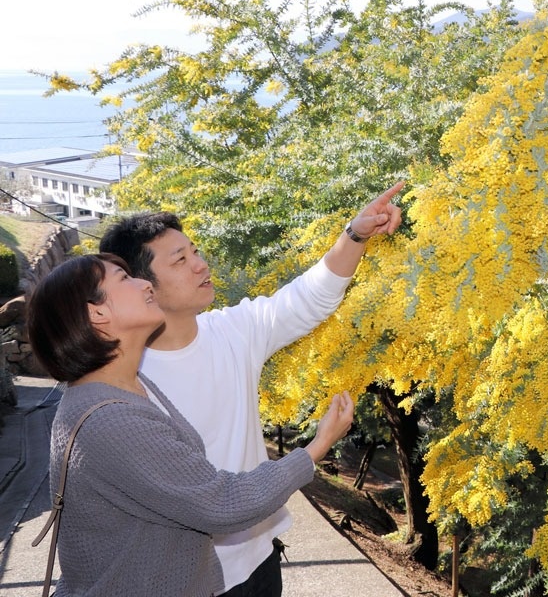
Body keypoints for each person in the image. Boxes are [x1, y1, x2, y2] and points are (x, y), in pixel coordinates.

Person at [97, 182, 405, 597]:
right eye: (181, 260)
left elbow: (309, 296)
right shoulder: (121, 383)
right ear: (143, 285)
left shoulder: (231, 330)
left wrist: (355, 234)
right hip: (186, 580)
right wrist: (317, 446)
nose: (200, 265)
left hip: (260, 561)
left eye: (196, 251)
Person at [27, 253, 356, 596]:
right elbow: (224, 503)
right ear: (98, 313)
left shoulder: (127, 386)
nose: (144, 284)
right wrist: (318, 445)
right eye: (124, 279)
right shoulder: (111, 419)